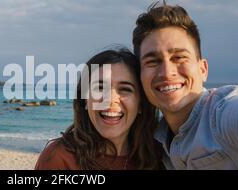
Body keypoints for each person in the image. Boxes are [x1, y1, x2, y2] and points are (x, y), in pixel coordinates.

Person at [132, 2, 238, 169]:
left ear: (203, 69)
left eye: (179, 57)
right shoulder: (158, 143)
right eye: (153, 61)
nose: (167, 72)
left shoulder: (225, 114)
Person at [35, 48, 163, 170]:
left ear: (141, 104)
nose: (110, 99)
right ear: (85, 99)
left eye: (125, 89)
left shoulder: (159, 157)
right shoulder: (59, 159)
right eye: (100, 88)